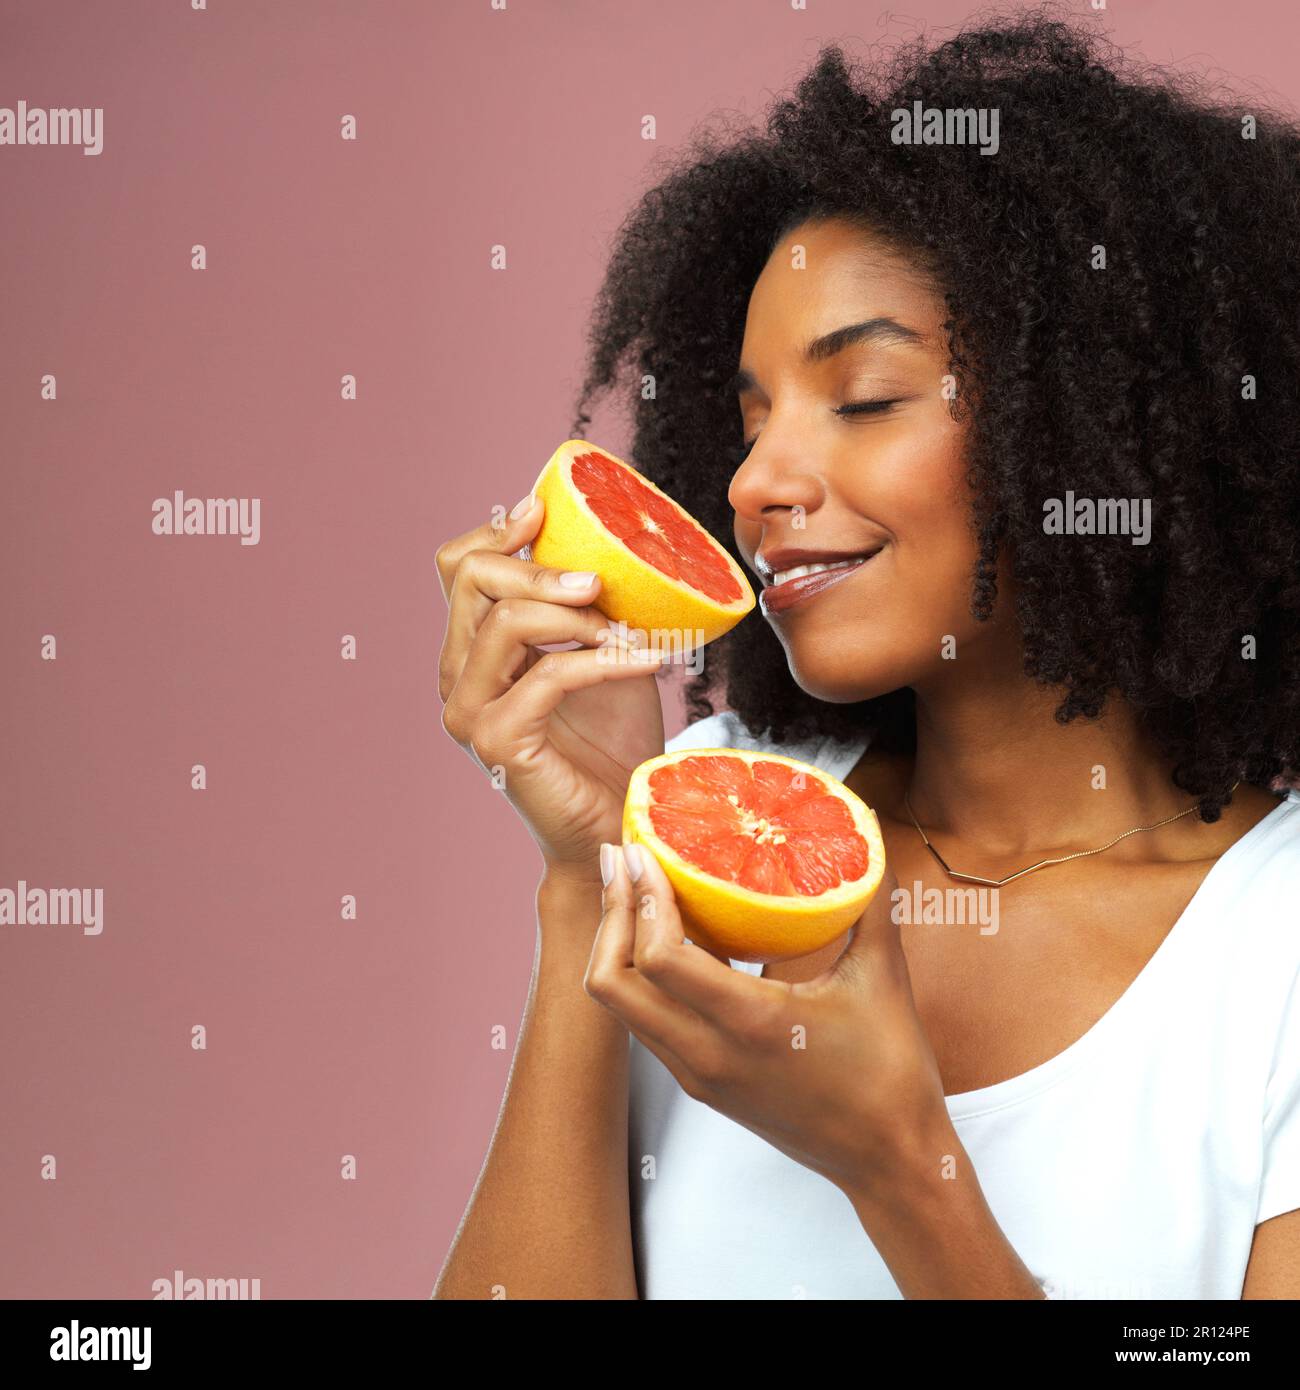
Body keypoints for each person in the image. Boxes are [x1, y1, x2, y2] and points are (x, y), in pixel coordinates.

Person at [432, 11, 1300, 1299]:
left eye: (866, 400)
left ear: (1100, 419)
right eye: (748, 422)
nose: (752, 483)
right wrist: (588, 876)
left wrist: (898, 1164)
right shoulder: (717, 838)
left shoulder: (1273, 956)